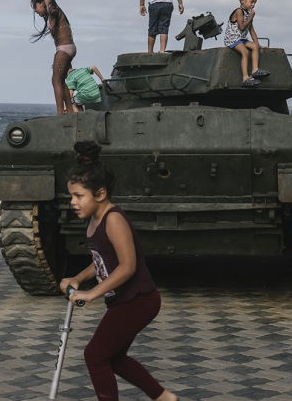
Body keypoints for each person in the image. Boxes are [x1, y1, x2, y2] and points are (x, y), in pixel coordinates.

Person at [60, 141, 177, 401]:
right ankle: (164, 398)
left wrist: (92, 294)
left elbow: (127, 266)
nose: (73, 202)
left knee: (95, 355)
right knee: (113, 358)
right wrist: (78, 278)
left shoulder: (113, 219)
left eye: (79, 196)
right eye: (71, 196)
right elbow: (102, 261)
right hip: (124, 300)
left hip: (139, 300)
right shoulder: (94, 219)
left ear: (100, 194)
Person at [30, 0, 76, 115]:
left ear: (42, 2)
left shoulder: (54, 10)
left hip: (64, 49)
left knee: (55, 81)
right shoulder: (50, 16)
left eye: (36, 6)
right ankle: (70, 111)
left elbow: (52, 8)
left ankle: (60, 113)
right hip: (68, 49)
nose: (35, 10)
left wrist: (46, 0)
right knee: (61, 80)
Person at [223, 0, 269, 87]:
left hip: (241, 39)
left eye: (255, 3)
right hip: (232, 39)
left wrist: (258, 44)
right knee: (245, 52)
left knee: (254, 46)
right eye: (251, 2)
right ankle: (245, 78)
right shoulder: (239, 11)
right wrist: (251, 17)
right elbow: (242, 27)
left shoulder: (248, 13)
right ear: (243, 0)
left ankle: (255, 70)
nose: (253, 5)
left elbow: (252, 31)